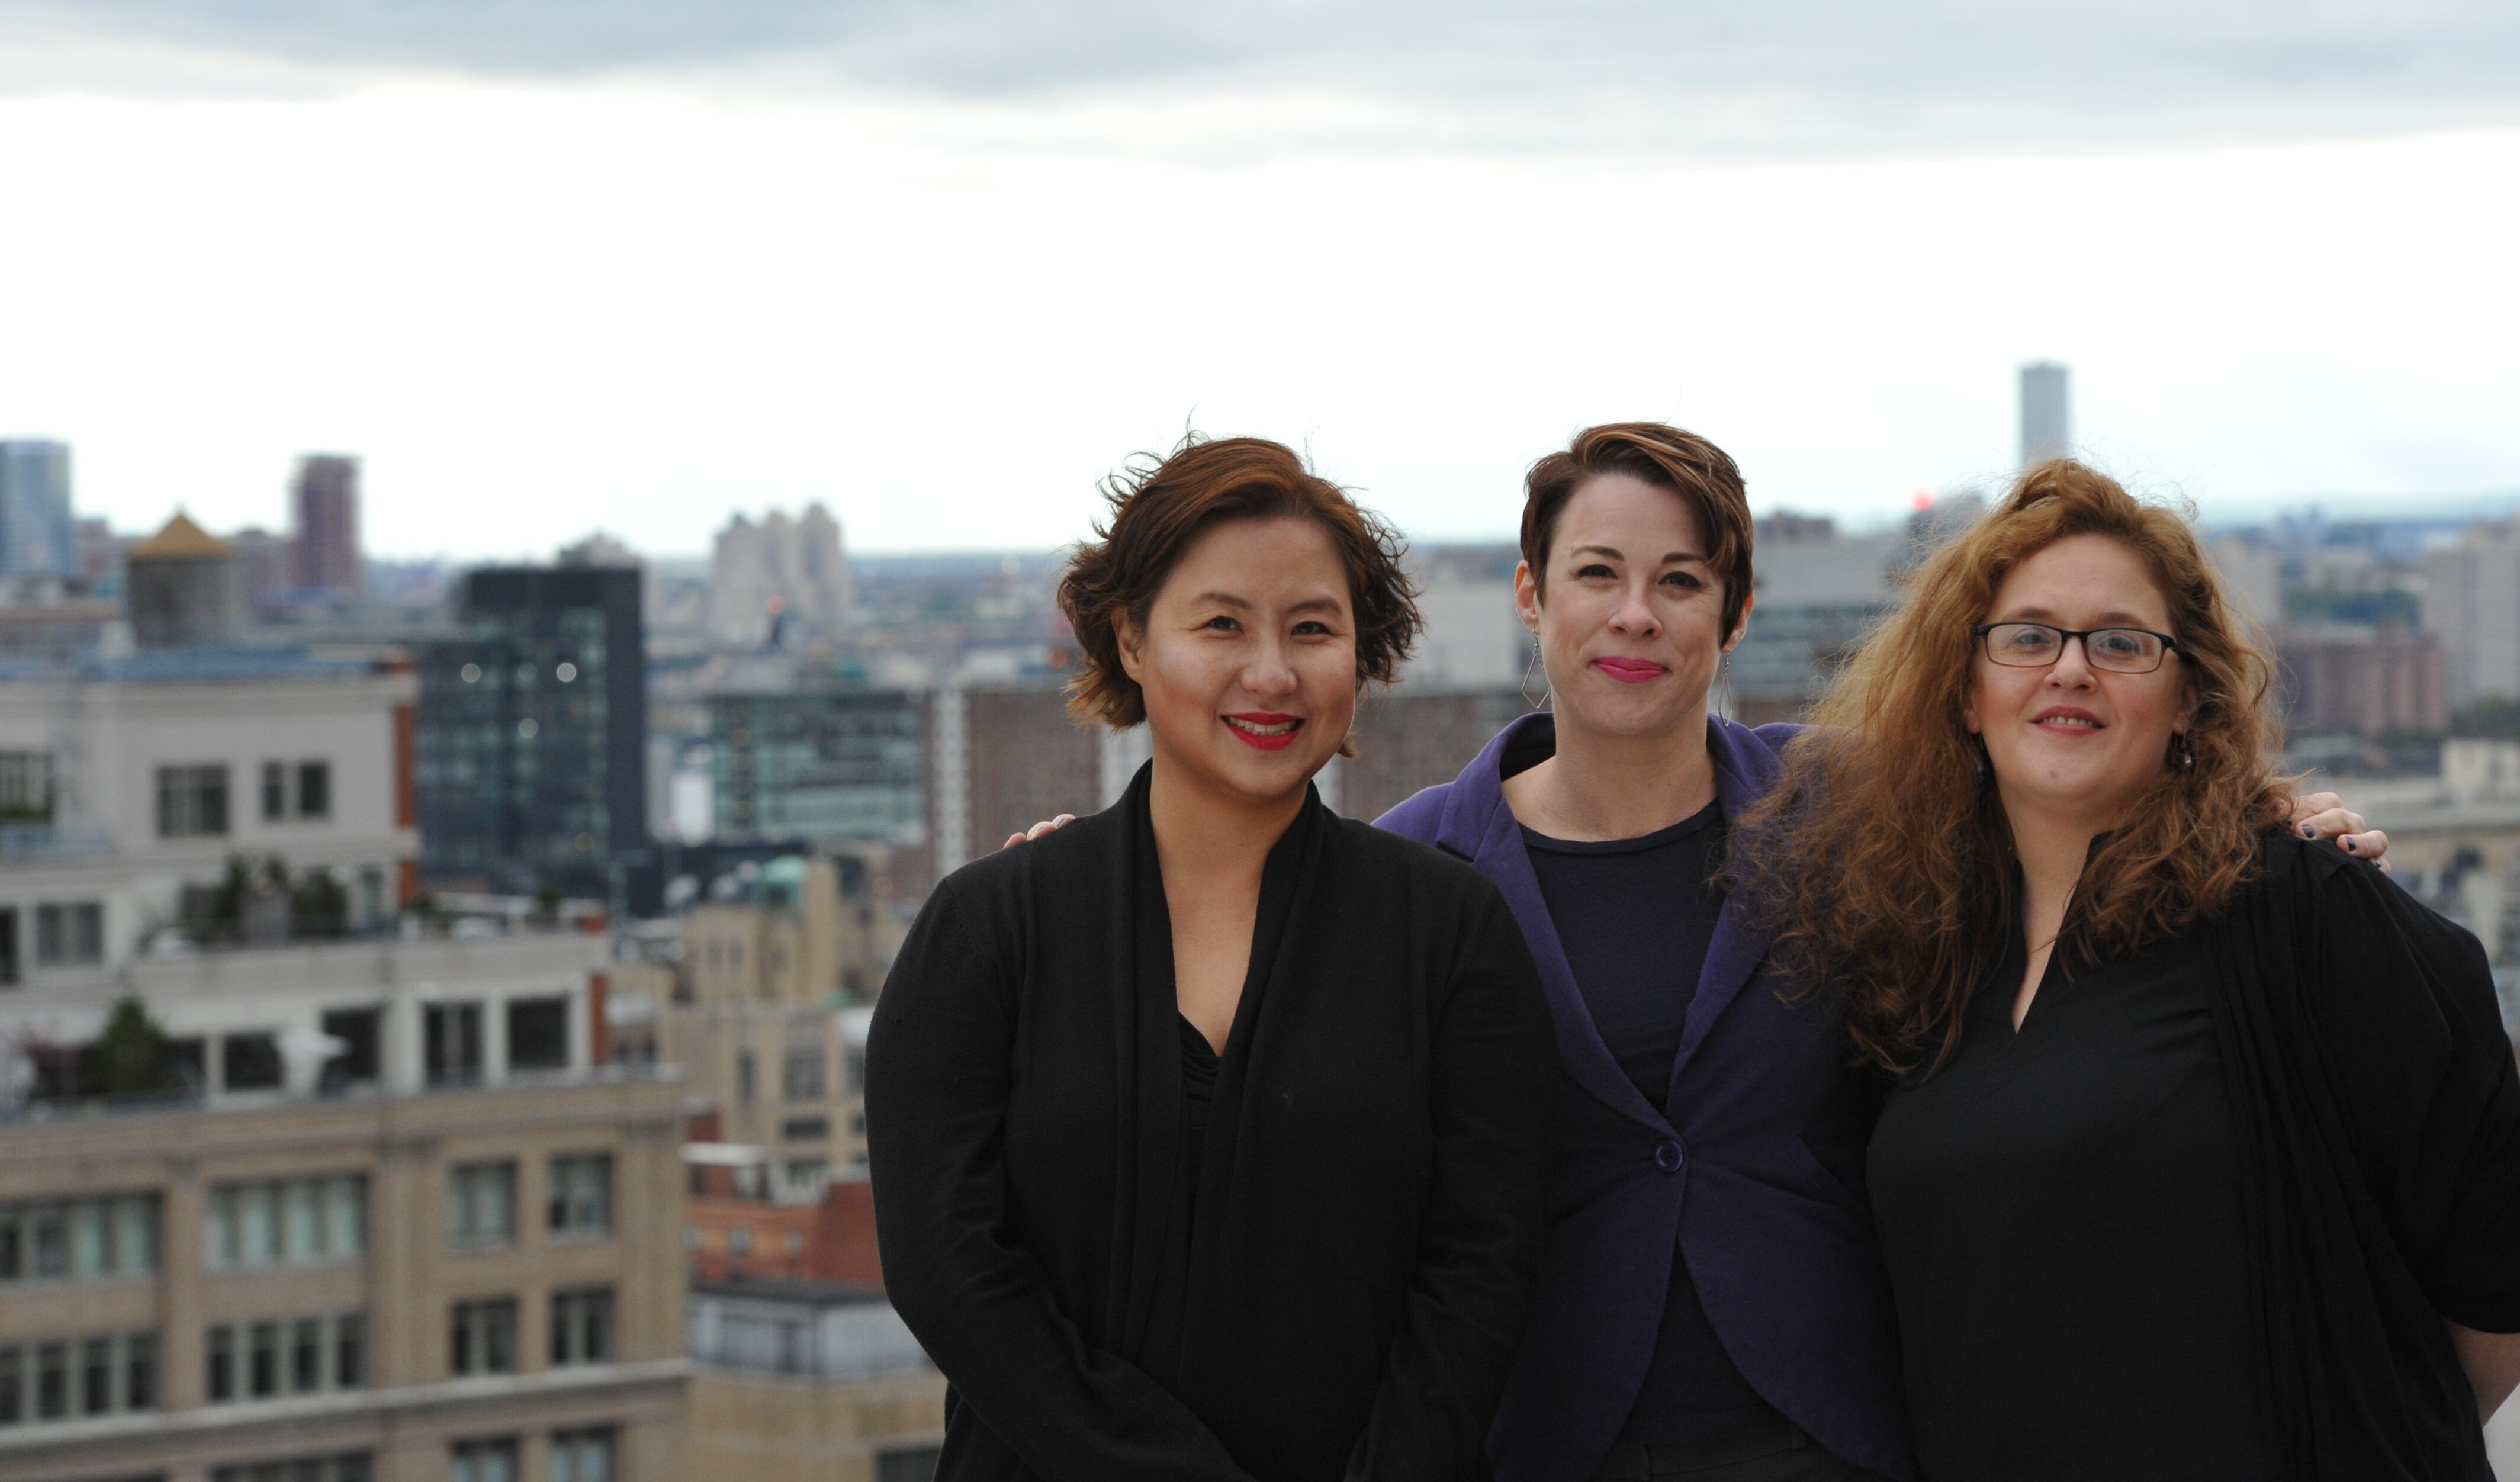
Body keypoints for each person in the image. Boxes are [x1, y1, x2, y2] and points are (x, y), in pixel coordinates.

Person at [1008, 423, 2387, 1482]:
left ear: (1730, 618)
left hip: (1839, 1422)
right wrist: (1094, 888)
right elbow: (1239, 989)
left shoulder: (1853, 801)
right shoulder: (1415, 871)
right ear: (1533, 600)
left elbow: (2068, 781)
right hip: (1549, 1434)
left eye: (1681, 582)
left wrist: (2261, 818)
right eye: (1596, 575)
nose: (1636, 616)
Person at [1739, 458, 2520, 1481]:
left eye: (2121, 641)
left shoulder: (2302, 912)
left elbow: (2495, 1274)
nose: (2070, 669)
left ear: (2190, 696)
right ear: (1966, 694)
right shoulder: (1919, 959)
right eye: (2026, 637)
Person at [865, 434, 1558, 1482]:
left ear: (1360, 654)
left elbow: (1483, 1273)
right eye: (1222, 623)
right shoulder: (989, 931)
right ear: (1130, 638)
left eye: (1314, 629)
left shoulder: (1449, 936)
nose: (1272, 672)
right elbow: (946, 1265)